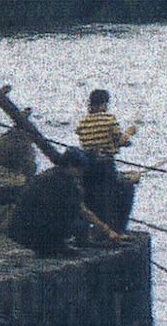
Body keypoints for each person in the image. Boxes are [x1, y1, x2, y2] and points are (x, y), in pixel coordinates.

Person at [8, 149, 128, 256]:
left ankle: (52, 245)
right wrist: (108, 232)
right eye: (79, 168)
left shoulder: (50, 176)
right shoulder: (63, 183)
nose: (82, 172)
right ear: (70, 165)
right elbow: (83, 211)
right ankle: (53, 246)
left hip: (19, 229)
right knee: (76, 220)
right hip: (31, 229)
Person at [74, 88, 139, 232]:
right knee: (120, 191)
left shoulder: (83, 123)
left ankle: (97, 228)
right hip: (105, 166)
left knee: (94, 196)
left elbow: (90, 144)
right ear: (103, 103)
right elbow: (120, 140)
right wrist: (129, 132)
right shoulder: (109, 120)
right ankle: (116, 230)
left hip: (87, 168)